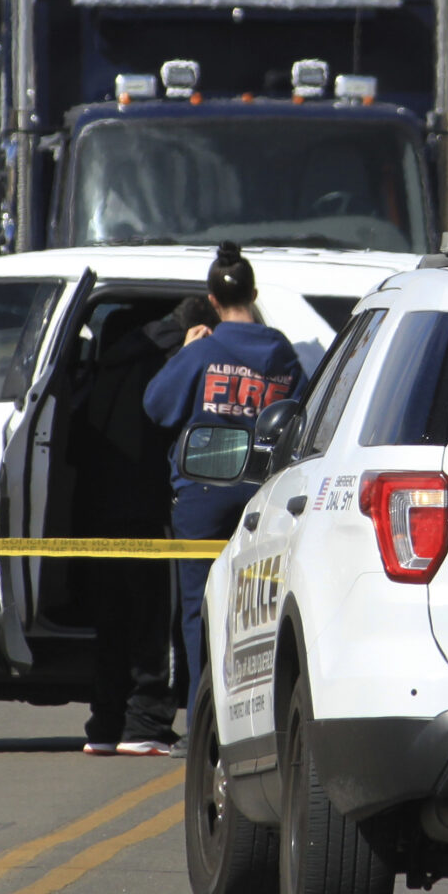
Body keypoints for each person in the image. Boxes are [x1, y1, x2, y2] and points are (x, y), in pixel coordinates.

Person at [145, 243, 299, 730]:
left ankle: (203, 724)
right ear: (253, 293)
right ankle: (256, 721)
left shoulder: (205, 350)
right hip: (264, 497)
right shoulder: (284, 354)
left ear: (212, 301)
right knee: (261, 612)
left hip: (203, 496)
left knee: (199, 612)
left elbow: (156, 405)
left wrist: (188, 355)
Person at [68, 294, 212, 757]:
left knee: (113, 621)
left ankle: (105, 723)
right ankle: (146, 722)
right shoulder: (179, 358)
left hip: (103, 510)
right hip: (151, 510)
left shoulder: (113, 358)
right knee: (158, 624)